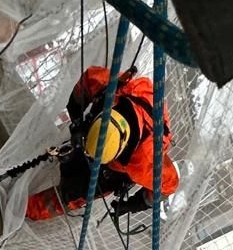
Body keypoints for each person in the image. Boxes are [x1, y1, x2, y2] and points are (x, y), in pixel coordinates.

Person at [26, 66, 179, 223]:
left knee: (72, 193)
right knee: (70, 162)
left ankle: (28, 210)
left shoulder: (146, 160)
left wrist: (134, 204)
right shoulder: (114, 89)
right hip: (117, 121)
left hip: (114, 171)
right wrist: (77, 122)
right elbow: (87, 79)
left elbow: (169, 185)